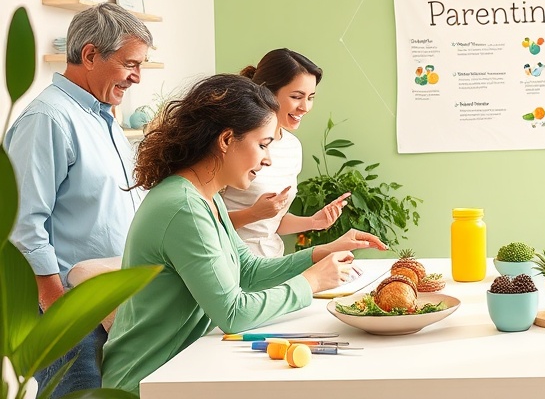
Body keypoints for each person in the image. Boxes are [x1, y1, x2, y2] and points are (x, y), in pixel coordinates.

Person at [101, 74, 388, 395]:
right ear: (226, 140)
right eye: (263, 144)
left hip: (177, 370)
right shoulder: (184, 207)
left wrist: (317, 254)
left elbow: (247, 271)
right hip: (144, 381)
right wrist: (312, 282)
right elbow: (234, 314)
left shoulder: (205, 198)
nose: (268, 158)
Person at [4, 3, 153, 397]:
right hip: (68, 307)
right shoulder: (48, 119)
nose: (137, 77)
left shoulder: (104, 118)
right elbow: (22, 226)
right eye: (130, 64)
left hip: (106, 304)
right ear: (90, 55)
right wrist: (59, 309)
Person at [221, 48, 344, 257]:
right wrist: (252, 214)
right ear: (267, 92)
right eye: (297, 96)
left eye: (311, 97)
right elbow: (203, 225)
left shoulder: (293, 147)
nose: (305, 107)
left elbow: (271, 223)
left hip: (273, 263)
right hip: (233, 263)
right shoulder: (235, 142)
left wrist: (314, 221)